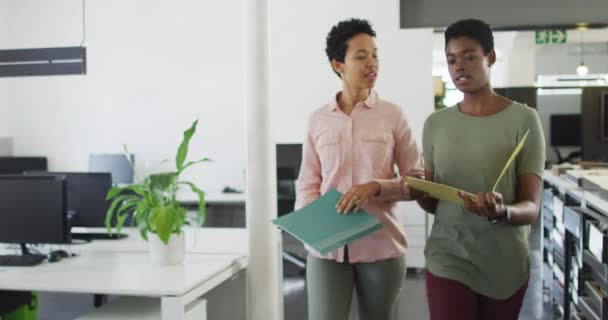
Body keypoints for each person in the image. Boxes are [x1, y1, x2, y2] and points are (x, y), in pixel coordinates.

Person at [416, 19, 545, 320]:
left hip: (505, 261)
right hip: (448, 255)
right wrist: (419, 191)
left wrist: (502, 213)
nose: (459, 66)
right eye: (451, 59)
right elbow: (435, 204)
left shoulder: (524, 120)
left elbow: (531, 206)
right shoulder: (435, 125)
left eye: (469, 56)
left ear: (490, 57)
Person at [295, 18, 423, 320]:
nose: (372, 63)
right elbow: (307, 183)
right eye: (361, 56)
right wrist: (314, 224)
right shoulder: (318, 120)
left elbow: (416, 180)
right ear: (338, 64)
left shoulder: (393, 115)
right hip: (327, 249)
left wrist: (378, 186)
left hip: (381, 247)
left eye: (375, 55)